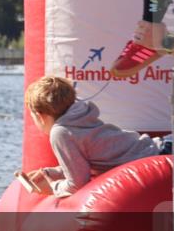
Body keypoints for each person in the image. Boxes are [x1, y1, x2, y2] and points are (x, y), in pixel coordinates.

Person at [22, 76, 159, 197]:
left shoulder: (60, 132)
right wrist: (49, 173)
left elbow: (77, 184)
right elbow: (85, 163)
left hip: (155, 157)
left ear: (40, 116)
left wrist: (53, 187)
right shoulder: (78, 116)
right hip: (158, 148)